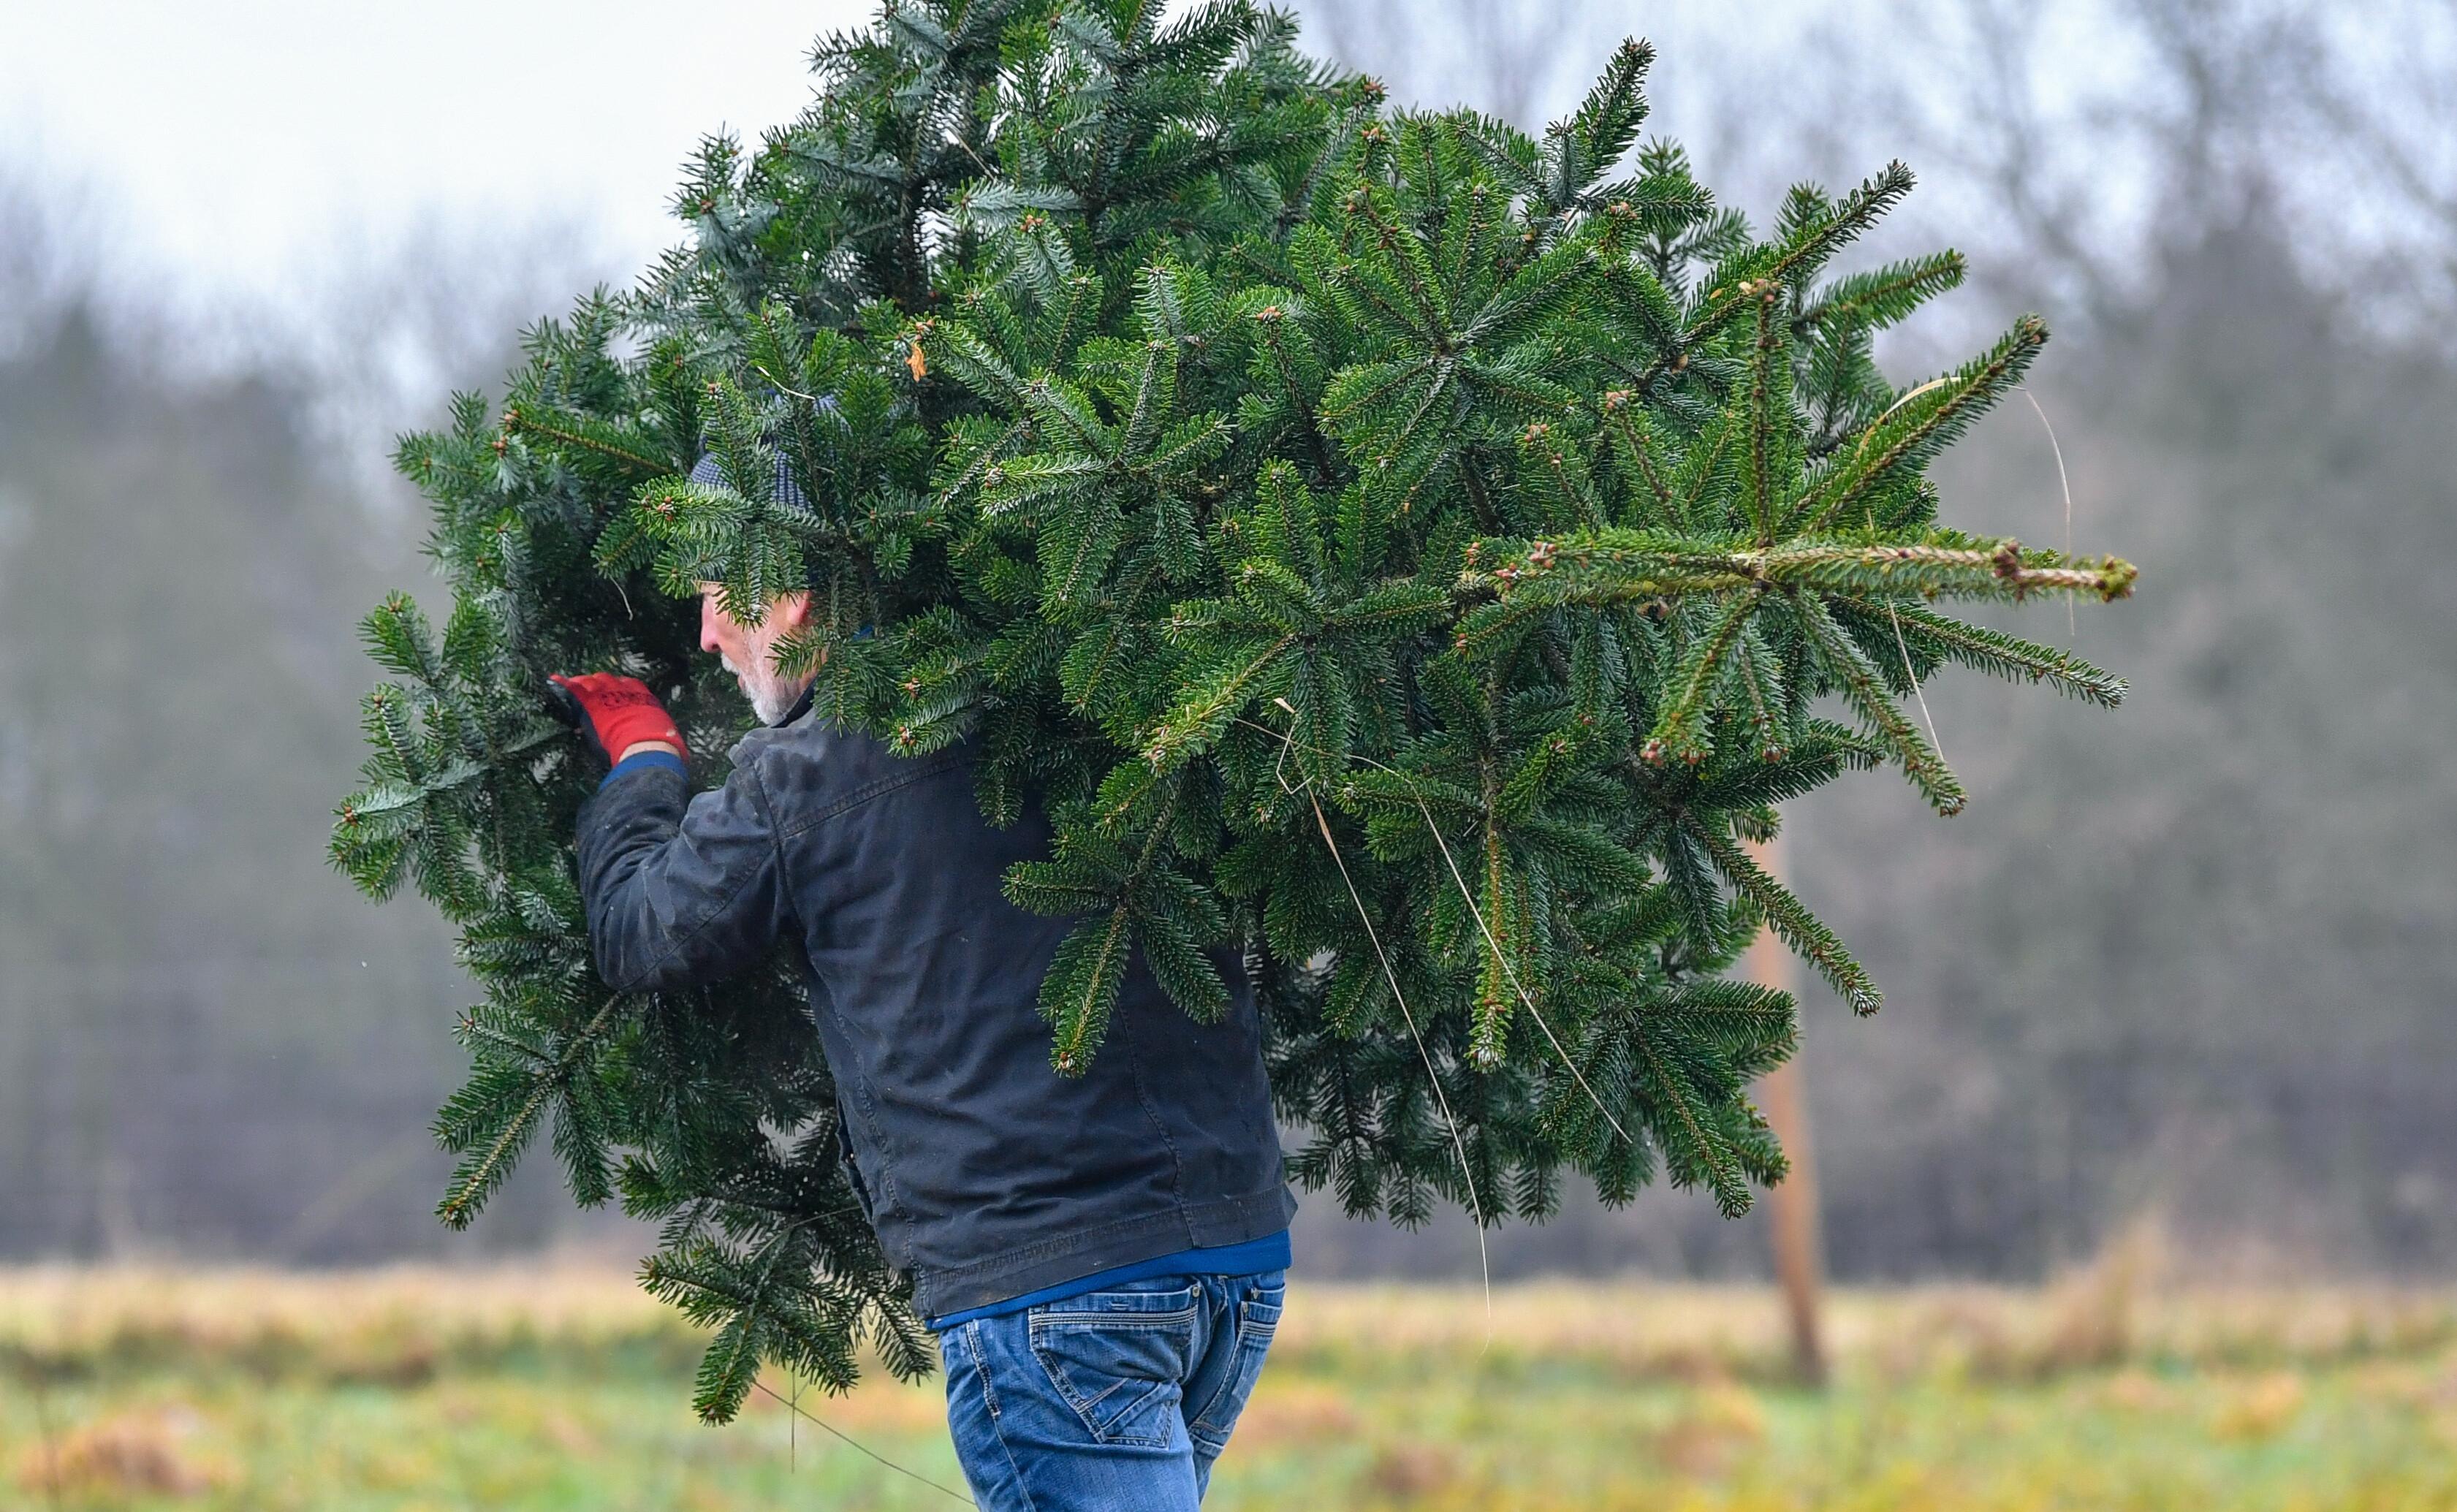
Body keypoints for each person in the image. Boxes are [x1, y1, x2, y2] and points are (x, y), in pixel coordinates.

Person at [548, 465, 1294, 1511]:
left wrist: (642, 763)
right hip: (1235, 1251)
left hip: (1050, 1286)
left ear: (793, 594)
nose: (710, 636)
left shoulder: (797, 776)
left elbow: (647, 931)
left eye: (719, 593)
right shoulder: (1078, 686)